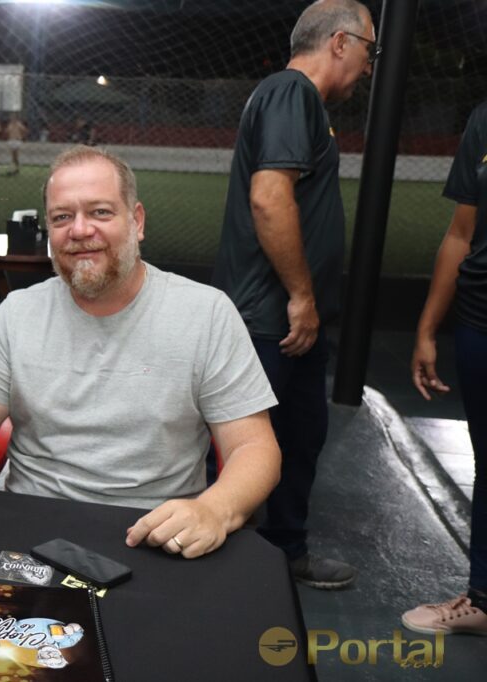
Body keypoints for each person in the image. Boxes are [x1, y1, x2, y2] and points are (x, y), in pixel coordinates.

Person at [0, 146, 281, 560]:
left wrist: (213, 510)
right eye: (62, 217)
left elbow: (254, 448)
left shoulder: (206, 314)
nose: (79, 230)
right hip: (29, 533)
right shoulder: (18, 313)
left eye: (100, 212)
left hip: (155, 536)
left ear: (137, 221)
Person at [212, 0, 378, 589]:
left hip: (283, 317)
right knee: (248, 444)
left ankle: (281, 551)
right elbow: (269, 198)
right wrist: (302, 297)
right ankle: (223, 563)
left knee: (299, 435)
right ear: (340, 42)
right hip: (273, 316)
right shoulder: (292, 92)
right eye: (370, 50)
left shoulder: (297, 99)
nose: (369, 66)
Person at [401, 101, 487, 636]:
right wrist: (427, 329)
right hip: (479, 321)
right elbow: (460, 232)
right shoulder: (484, 119)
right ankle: (483, 599)